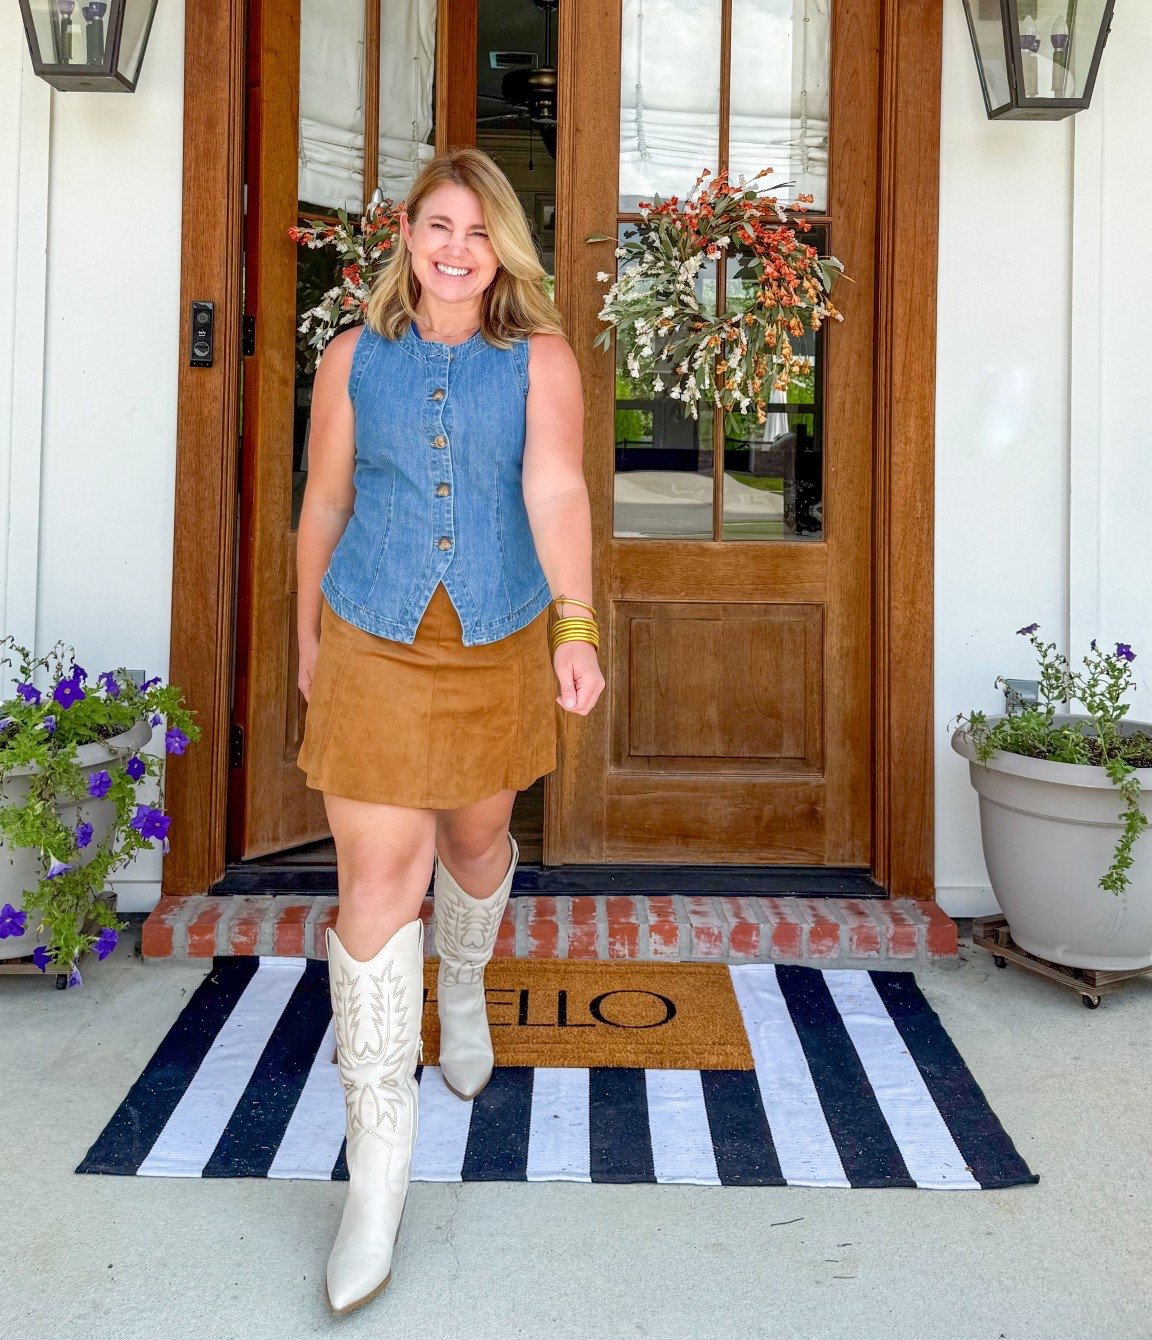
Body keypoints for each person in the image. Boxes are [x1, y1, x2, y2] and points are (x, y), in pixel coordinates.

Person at [294, 146, 605, 1316]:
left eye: (479, 231)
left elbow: (557, 491)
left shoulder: (540, 361)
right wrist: (308, 637)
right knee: (380, 875)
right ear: (408, 237)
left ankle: (464, 978)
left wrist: (575, 625)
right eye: (438, 226)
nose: (458, 248)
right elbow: (324, 498)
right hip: (372, 629)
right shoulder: (350, 358)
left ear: (502, 246)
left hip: (495, 638)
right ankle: (378, 1165)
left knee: (473, 847)